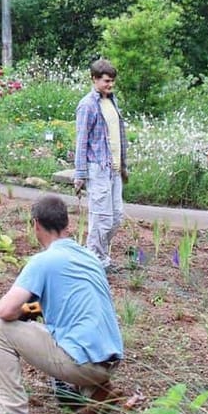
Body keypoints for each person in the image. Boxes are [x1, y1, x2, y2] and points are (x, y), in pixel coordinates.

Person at [0, 194, 125, 414]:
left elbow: (5, 311)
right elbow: (63, 305)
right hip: (109, 360)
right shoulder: (90, 258)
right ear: (67, 224)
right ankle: (97, 392)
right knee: (67, 331)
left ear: (36, 225)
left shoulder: (43, 261)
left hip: (81, 365)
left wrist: (22, 314)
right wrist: (31, 311)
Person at [74, 58, 127, 270]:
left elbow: (117, 137)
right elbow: (81, 140)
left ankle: (98, 257)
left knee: (116, 217)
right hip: (97, 169)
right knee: (101, 218)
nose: (110, 85)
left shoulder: (112, 102)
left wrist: (123, 166)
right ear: (94, 79)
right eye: (106, 81)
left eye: (112, 81)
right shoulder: (87, 105)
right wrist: (80, 174)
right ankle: (95, 262)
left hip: (114, 169)